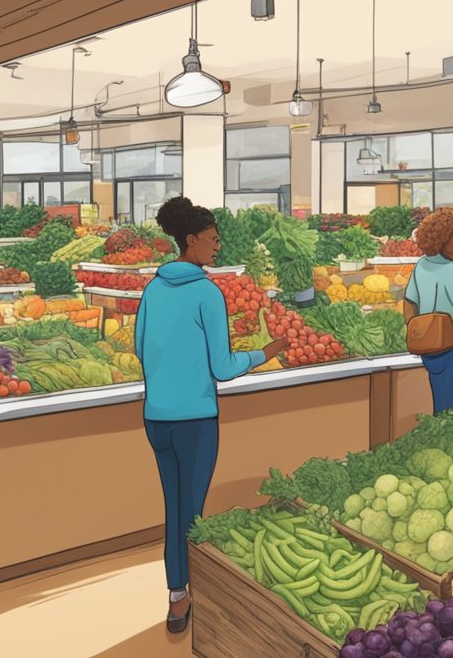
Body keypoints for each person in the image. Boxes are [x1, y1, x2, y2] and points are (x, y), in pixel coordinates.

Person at [135, 197, 287, 634]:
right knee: (193, 514)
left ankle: (176, 593)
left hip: (157, 417)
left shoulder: (153, 288)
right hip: (195, 419)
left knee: (174, 506)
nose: (217, 246)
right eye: (212, 239)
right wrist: (265, 352)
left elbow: (141, 348)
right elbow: (222, 367)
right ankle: (192, 599)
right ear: (191, 240)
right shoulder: (206, 292)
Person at [404, 207, 453, 414]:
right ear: (442, 238)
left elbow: (409, 301)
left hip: (425, 345)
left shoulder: (421, 265)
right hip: (447, 344)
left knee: (438, 396)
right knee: (448, 404)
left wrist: (414, 329)